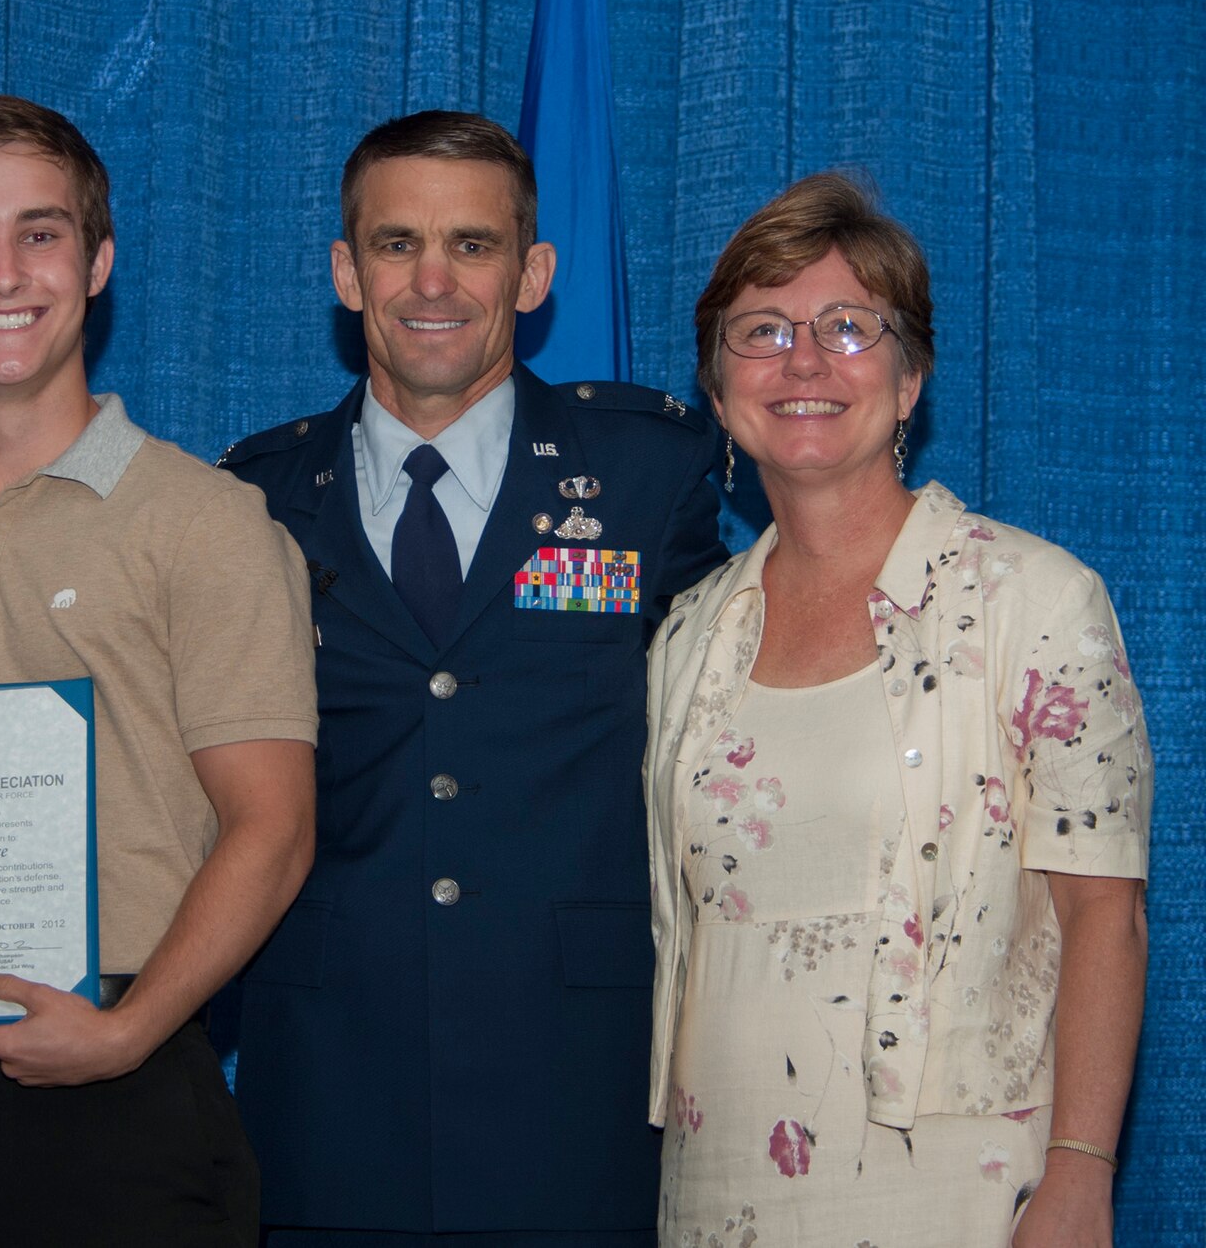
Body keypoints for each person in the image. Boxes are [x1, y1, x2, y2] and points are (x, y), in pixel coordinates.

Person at [0, 94, 318, 1248]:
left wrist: (130, 1029)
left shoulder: (208, 521)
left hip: (125, 1082)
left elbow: (271, 826)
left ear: (96, 263)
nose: (2, 271)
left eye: (38, 233)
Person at [218, 110, 726, 1245]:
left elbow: (733, 724)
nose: (430, 280)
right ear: (346, 273)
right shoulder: (249, 500)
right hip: (328, 1090)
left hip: (579, 1086)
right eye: (395, 244)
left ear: (532, 272)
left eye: (473, 245)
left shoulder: (646, 472)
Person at [644, 172, 1150, 1245]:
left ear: (909, 377)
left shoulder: (1034, 600)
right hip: (718, 1181)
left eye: (847, 326)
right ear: (716, 387)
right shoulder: (685, 635)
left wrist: (1079, 1174)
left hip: (963, 1189)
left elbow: (1102, 912)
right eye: (761, 330)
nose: (804, 361)